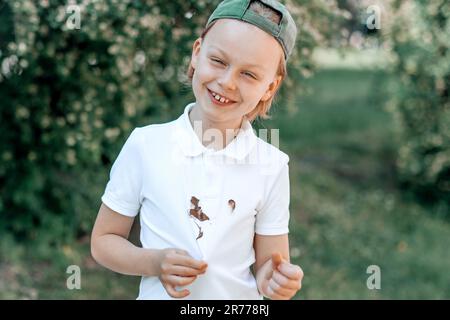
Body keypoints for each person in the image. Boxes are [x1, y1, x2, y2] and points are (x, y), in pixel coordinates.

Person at [91, 0, 304, 300]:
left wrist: (276, 280)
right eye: (218, 61)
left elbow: (270, 264)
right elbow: (104, 240)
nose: (227, 82)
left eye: (249, 74)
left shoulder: (272, 165)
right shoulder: (146, 145)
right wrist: (154, 262)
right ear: (196, 53)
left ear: (270, 86)